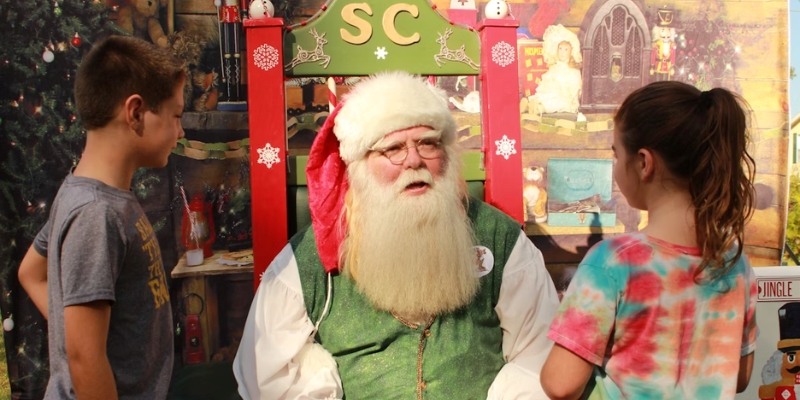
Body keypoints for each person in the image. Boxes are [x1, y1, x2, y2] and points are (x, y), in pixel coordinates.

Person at [233, 71, 560, 399]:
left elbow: (538, 357)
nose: (414, 160)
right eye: (393, 149)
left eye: (428, 144)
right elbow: (267, 372)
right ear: (359, 166)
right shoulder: (310, 258)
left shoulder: (500, 241)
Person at [540, 80, 758, 399]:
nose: (615, 168)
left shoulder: (613, 261)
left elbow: (560, 384)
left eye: (617, 155)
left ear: (644, 162)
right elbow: (740, 377)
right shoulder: (735, 265)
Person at [16, 35, 185, 399]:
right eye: (175, 116)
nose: (180, 132)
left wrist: (73, 336)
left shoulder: (85, 195)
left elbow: (29, 272)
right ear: (136, 112)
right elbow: (84, 356)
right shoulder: (96, 213)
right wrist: (77, 347)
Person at [528, 24, 582, 115]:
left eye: (566, 50)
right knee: (543, 97)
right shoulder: (555, 67)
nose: (562, 52)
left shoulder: (573, 70)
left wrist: (561, 86)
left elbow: (575, 88)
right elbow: (547, 85)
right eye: (560, 49)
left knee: (559, 104)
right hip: (552, 93)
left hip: (564, 97)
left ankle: (538, 108)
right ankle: (531, 104)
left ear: (571, 51)